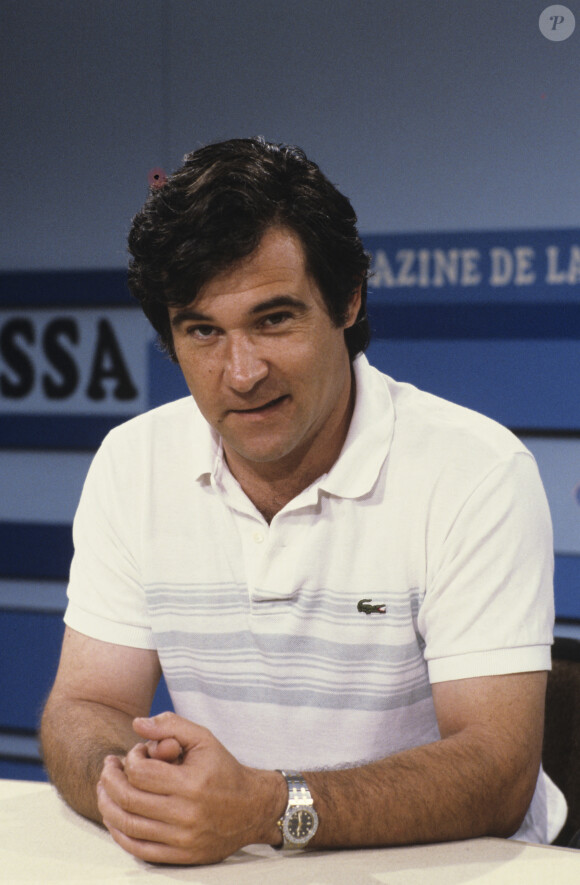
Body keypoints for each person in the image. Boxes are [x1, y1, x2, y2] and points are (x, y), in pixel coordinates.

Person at [40, 137, 567, 866]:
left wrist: (262, 806)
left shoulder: (474, 470)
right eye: (203, 332)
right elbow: (84, 707)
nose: (242, 372)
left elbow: (499, 770)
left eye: (274, 320)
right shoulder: (134, 461)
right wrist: (137, 787)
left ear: (349, 297)